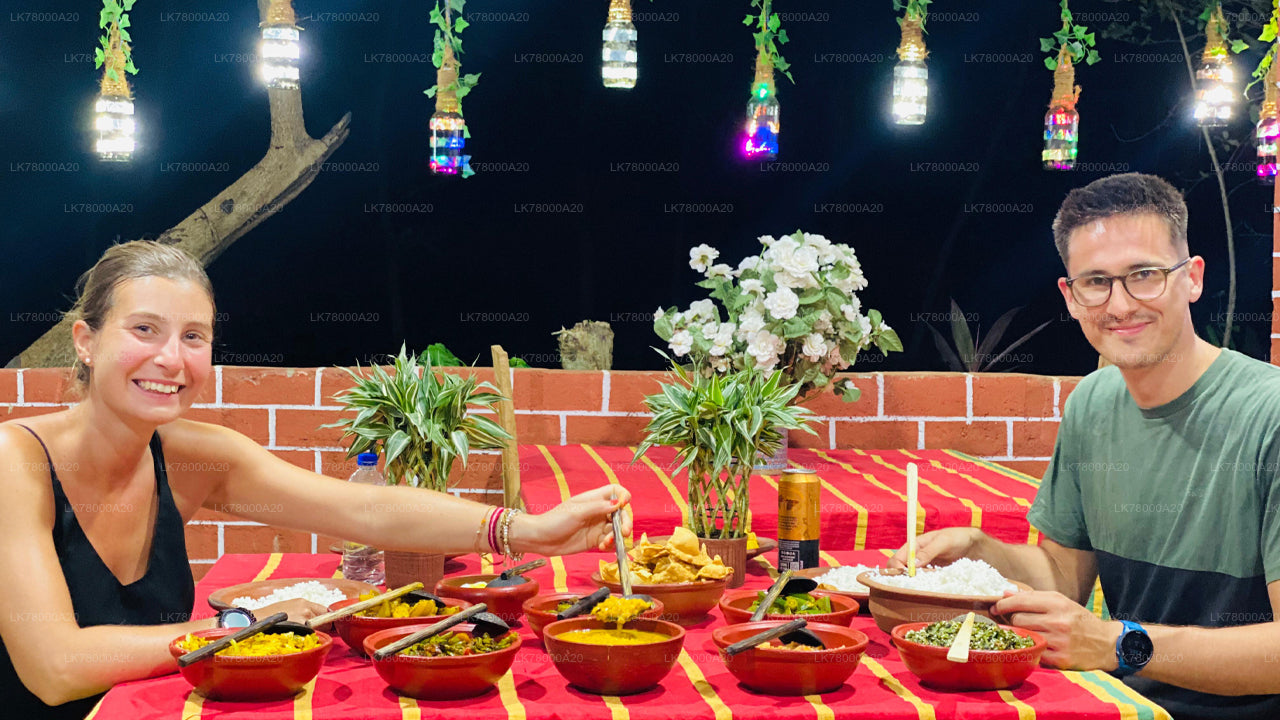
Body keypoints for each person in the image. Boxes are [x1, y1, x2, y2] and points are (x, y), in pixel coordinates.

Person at [0, 241, 633, 719]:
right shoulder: (14, 461)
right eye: (144, 330)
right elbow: (56, 667)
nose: (172, 358)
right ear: (85, 341)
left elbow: (365, 512)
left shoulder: (193, 455)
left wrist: (526, 530)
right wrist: (246, 625)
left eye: (194, 337)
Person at [890, 173, 1280, 719]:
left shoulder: (1268, 414)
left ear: (1192, 279)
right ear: (1070, 297)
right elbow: (1066, 577)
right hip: (1114, 703)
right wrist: (983, 551)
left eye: (1144, 275)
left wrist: (1121, 644)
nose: (1119, 304)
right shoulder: (1092, 403)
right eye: (1096, 281)